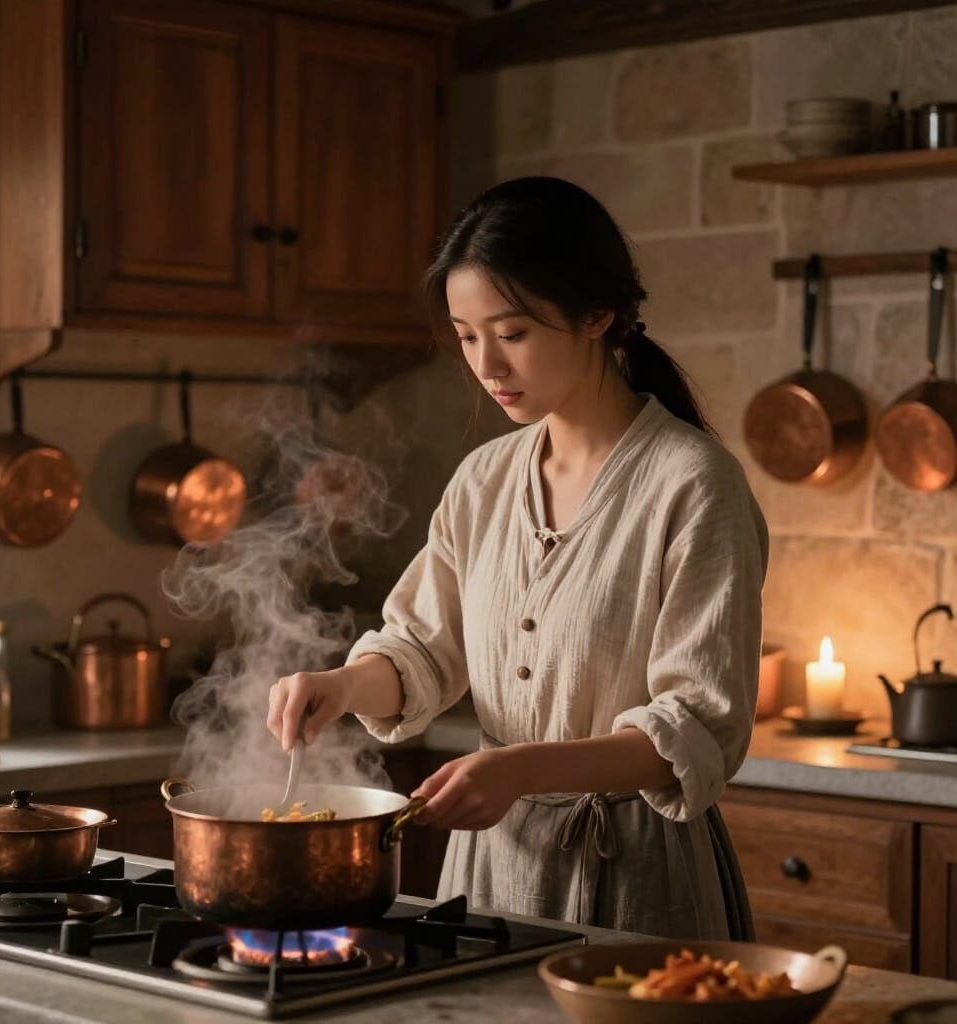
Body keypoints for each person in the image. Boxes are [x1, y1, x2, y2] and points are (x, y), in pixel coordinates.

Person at [268, 176, 769, 939]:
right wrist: (341, 685)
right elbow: (422, 647)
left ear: (598, 314)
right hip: (492, 872)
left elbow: (697, 727)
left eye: (512, 333)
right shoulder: (484, 479)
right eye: (467, 337)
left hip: (636, 879)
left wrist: (522, 769)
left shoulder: (694, 484)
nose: (487, 365)